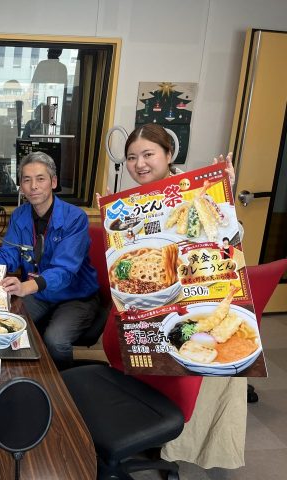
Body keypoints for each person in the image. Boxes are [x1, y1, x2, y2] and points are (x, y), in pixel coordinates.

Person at [98, 123, 245, 470]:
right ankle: (139, 429)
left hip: (193, 302)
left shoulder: (194, 193)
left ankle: (170, 445)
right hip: (144, 309)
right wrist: (111, 223)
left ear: (168, 155)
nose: (139, 164)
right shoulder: (131, 205)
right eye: (131, 157)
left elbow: (230, 242)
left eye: (148, 154)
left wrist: (225, 197)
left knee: (187, 365)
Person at [0, 151, 100, 370]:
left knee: (55, 341)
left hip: (75, 296)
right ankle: (19, 375)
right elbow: (9, 254)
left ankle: (63, 382)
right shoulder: (20, 215)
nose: (34, 186)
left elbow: (64, 271)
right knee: (3, 325)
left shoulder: (75, 217)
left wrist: (24, 287)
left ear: (53, 182)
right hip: (39, 293)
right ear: (21, 185)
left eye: (40, 179)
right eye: (27, 180)